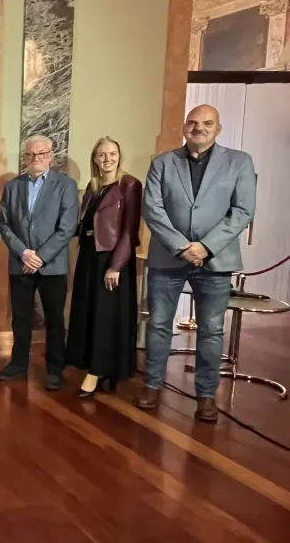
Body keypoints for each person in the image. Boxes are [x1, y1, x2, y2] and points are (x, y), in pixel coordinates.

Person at [139, 104, 256, 421]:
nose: (198, 128)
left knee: (211, 330)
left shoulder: (239, 162)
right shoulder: (162, 163)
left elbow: (242, 211)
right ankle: (152, 386)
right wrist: (182, 247)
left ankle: (206, 396)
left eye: (207, 123)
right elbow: (152, 209)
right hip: (168, 257)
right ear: (184, 127)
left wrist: (205, 246)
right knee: (159, 325)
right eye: (192, 123)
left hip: (216, 260)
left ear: (218, 128)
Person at [0, 134, 79, 390]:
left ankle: (55, 369)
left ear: (50, 156)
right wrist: (24, 253)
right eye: (31, 154)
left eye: (41, 153)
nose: (36, 158)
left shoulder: (66, 185)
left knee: (54, 319)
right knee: (20, 317)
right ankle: (18, 364)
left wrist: (40, 257)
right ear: (25, 157)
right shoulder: (13, 186)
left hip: (52, 266)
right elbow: (5, 225)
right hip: (20, 263)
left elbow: (67, 228)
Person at [66, 137, 141, 397]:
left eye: (112, 154)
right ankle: (97, 367)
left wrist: (116, 265)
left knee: (105, 317)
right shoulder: (93, 186)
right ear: (95, 159)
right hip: (89, 255)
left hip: (111, 259)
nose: (107, 159)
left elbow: (129, 230)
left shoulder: (129, 185)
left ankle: (97, 372)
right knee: (89, 313)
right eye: (101, 155)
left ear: (119, 156)